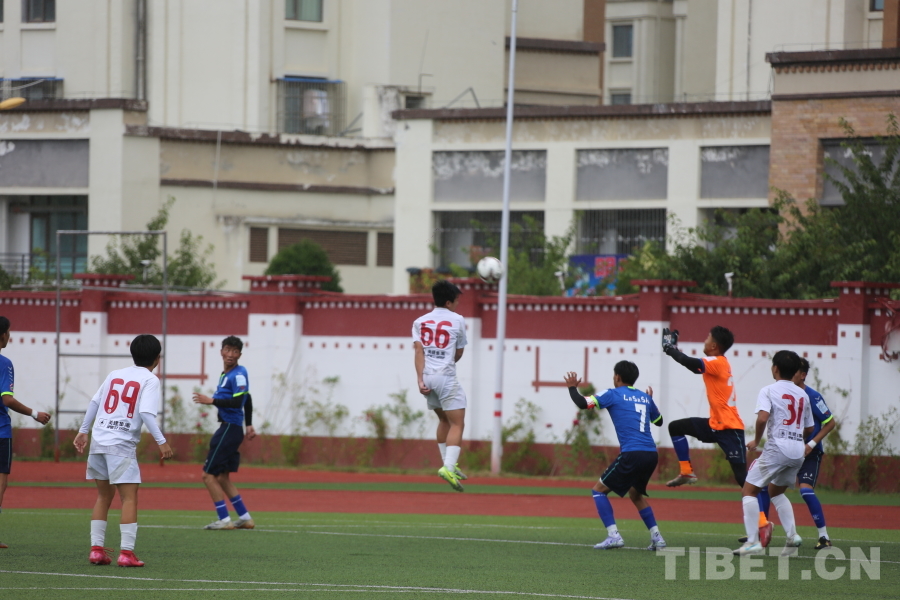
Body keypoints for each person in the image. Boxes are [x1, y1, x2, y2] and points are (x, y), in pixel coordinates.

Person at [73, 334, 173, 567]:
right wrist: (162, 441)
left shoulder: (115, 374)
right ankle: (126, 553)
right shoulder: (150, 379)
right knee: (129, 498)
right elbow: (146, 413)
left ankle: (96, 550)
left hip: (99, 441)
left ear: (133, 354)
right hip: (121, 444)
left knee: (103, 496)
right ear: (157, 358)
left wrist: (83, 430)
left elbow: (95, 402)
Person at [564, 361, 667, 551]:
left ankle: (613, 536)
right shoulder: (645, 397)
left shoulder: (612, 394)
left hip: (632, 452)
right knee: (635, 494)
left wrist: (571, 388)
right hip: (651, 454)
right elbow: (659, 421)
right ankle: (657, 537)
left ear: (617, 377)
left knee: (598, 490)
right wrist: (650, 402)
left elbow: (583, 403)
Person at [742, 357, 837, 550]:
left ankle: (823, 535)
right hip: (796, 450)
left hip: (805, 451)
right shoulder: (795, 394)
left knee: (756, 489)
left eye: (796, 371)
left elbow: (829, 422)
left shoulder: (810, 396)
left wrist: (810, 443)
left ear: (802, 375)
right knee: (771, 491)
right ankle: (781, 532)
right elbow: (806, 427)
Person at [734, 350, 813, 557]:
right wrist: (796, 437)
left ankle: (752, 541)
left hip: (778, 448)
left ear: (775, 368)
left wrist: (756, 440)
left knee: (748, 491)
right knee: (776, 492)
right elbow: (810, 428)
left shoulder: (768, 390)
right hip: (798, 451)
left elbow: (762, 418)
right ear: (795, 371)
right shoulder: (803, 394)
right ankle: (792, 536)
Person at [193, 335, 256, 529]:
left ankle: (224, 520)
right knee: (222, 477)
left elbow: (238, 401)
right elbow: (248, 398)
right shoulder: (226, 374)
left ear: (239, 355)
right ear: (221, 351)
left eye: (235, 351)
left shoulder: (238, 374)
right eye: (227, 350)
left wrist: (211, 400)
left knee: (207, 476)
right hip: (231, 428)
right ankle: (245, 518)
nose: (230, 354)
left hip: (229, 428)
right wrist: (249, 424)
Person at [0, 316, 51, 549]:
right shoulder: (4, 363)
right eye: (9, 332)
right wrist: (34, 413)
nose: (9, 336)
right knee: (1, 482)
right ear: (3, 335)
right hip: (1, 432)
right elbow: (7, 400)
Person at [413, 280, 469, 492]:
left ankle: (448, 463)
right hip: (445, 377)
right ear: (448, 302)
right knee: (457, 423)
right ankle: (448, 467)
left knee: (444, 419)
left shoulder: (419, 321)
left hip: (427, 378)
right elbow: (459, 352)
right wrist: (446, 363)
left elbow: (419, 351)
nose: (457, 305)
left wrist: (420, 380)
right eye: (456, 301)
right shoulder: (458, 320)